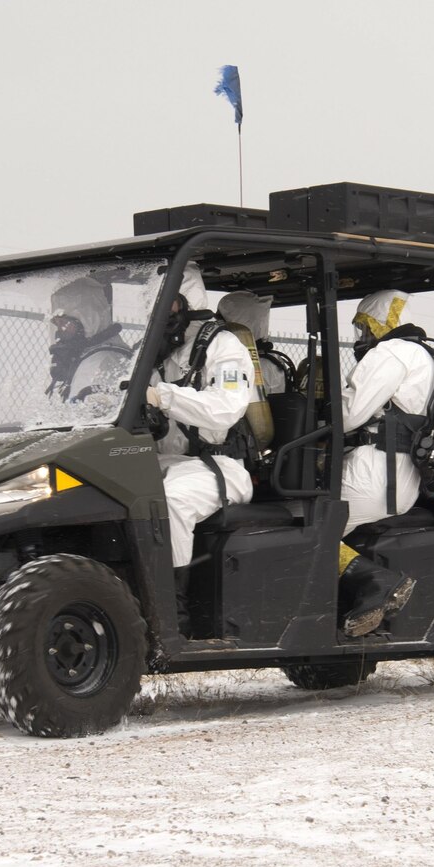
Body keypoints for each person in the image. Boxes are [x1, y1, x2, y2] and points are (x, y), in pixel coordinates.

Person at [144, 262, 257, 623]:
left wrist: (164, 397)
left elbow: (226, 408)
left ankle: (172, 609)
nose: (161, 309)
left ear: (188, 298)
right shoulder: (157, 349)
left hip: (218, 466)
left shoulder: (224, 346)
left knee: (171, 501)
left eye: (169, 301)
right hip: (166, 462)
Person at [335, 289, 434, 636]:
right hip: (400, 478)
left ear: (377, 323)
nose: (362, 336)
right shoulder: (425, 356)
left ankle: (377, 582)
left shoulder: (391, 353)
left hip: (374, 474)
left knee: (309, 532)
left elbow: (350, 414)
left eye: (364, 326)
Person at [45, 276, 130, 404]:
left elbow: (78, 415)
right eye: (57, 324)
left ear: (88, 320)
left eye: (64, 323)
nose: (60, 331)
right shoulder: (89, 354)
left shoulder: (100, 361)